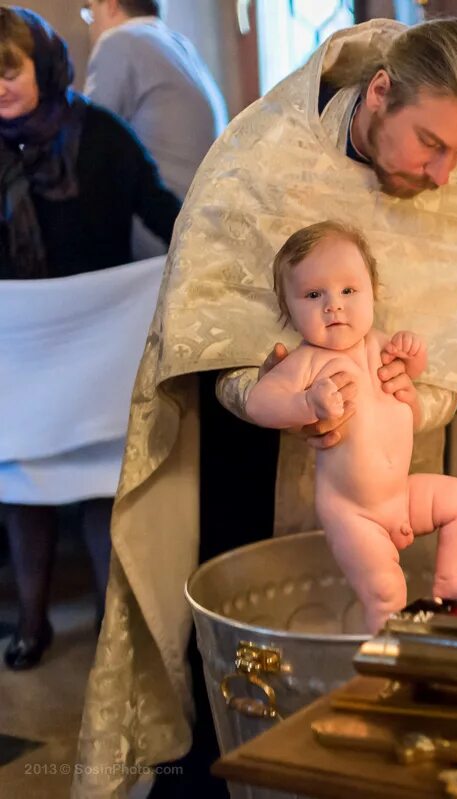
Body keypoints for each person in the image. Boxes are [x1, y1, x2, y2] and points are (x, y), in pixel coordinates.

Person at [74, 18, 457, 799]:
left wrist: (403, 389)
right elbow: (203, 324)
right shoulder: (262, 155)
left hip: (401, 462)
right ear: (383, 92)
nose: (443, 175)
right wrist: (278, 393)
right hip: (252, 462)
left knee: (398, 630)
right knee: (241, 662)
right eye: (430, 143)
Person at [0, 7, 180, 670]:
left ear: (43, 65)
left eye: (9, 69)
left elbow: (161, 208)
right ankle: (32, 621)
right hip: (19, 350)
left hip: (98, 340)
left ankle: (113, 619)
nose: (0, 87)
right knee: (22, 482)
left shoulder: (102, 134)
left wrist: (209, 259)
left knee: (103, 483)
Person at [246, 221, 457, 631]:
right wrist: (305, 401)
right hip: (353, 512)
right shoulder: (308, 362)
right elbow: (258, 403)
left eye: (348, 290)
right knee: (385, 590)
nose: (333, 305)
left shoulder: (379, 344)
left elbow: (408, 376)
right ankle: (382, 662)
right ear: (288, 311)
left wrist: (413, 358)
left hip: (402, 495)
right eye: (312, 294)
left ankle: (449, 579)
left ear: (372, 291)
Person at [82, 0, 228, 258]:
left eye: (89, 10)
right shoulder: (179, 44)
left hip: (159, 229)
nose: (90, 23)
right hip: (206, 219)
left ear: (111, 6)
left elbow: (86, 140)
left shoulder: (118, 42)